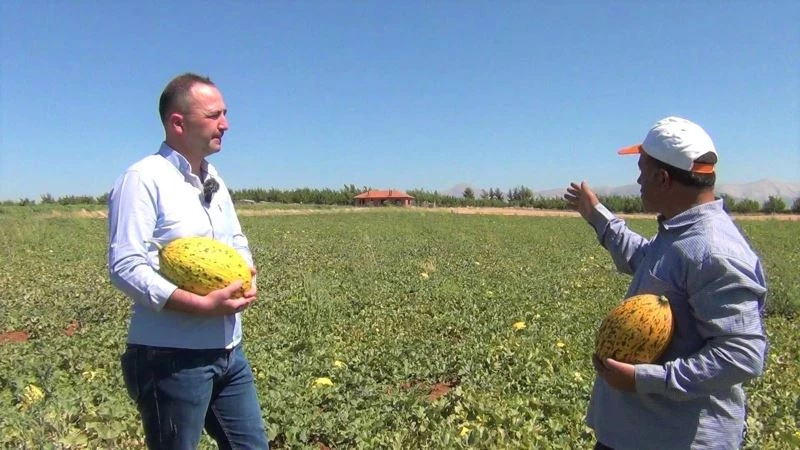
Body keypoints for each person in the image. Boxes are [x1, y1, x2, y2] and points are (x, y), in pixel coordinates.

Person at [564, 116, 767, 449]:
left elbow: (741, 355)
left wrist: (644, 379)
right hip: (638, 433)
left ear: (662, 178)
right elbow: (645, 260)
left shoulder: (714, 250)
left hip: (676, 438)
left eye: (642, 169)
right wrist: (596, 214)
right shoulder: (680, 233)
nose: (638, 179)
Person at [107, 73, 269, 449]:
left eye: (224, 113)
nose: (225, 124)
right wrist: (197, 305)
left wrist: (247, 273)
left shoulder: (214, 179)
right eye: (214, 115)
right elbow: (125, 265)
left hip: (229, 352)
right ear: (178, 122)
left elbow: (236, 241)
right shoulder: (143, 178)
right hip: (172, 358)